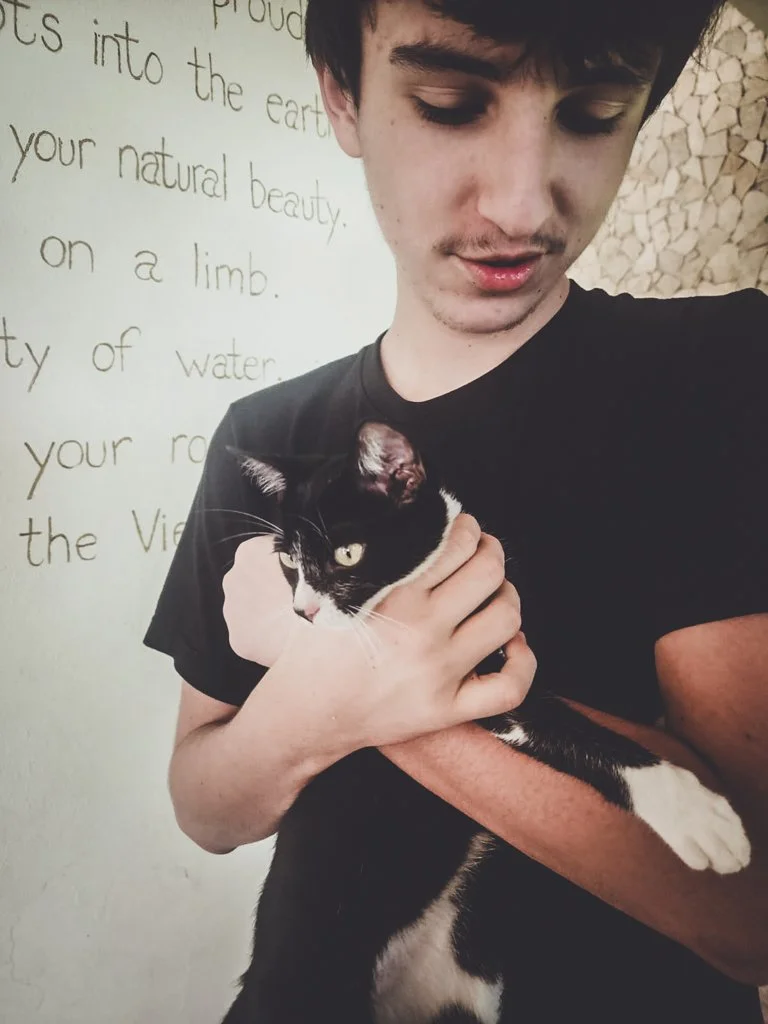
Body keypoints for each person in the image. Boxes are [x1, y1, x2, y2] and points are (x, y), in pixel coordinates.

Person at [144, 1, 768, 1019]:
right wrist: (328, 698)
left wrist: (345, 670)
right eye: (450, 103)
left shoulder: (722, 372)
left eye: (597, 110)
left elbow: (751, 912)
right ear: (342, 97)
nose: (523, 205)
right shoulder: (265, 441)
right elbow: (205, 804)